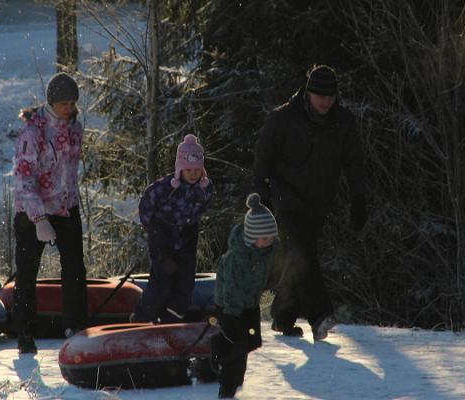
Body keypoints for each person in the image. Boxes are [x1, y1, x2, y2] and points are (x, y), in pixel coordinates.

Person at [253, 64, 367, 341]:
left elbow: (355, 162)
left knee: (297, 257)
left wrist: (358, 198)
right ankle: (320, 316)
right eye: (321, 96)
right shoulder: (283, 119)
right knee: (303, 251)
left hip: (319, 201)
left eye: (331, 96)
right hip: (286, 198)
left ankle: (282, 316)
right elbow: (263, 156)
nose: (326, 101)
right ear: (308, 93)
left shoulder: (344, 122)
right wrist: (261, 195)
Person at [12, 72, 88, 354]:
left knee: (75, 269)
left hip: (67, 208)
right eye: (64, 103)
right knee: (27, 271)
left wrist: (66, 205)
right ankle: (24, 331)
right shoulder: (33, 133)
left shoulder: (75, 128)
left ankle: (76, 326)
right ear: (51, 102)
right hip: (33, 211)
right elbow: (23, 179)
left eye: (72, 103)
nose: (69, 108)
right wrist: (39, 218)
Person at [132, 134, 213, 324]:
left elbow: (205, 205)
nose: (193, 174)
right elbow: (146, 203)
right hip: (163, 234)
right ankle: (142, 317)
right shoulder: (165, 188)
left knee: (185, 281)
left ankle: (172, 318)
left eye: (197, 170)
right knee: (162, 278)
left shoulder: (205, 188)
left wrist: (191, 222)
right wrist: (150, 226)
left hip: (187, 235)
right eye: (188, 170)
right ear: (180, 169)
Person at [211, 193, 279, 399]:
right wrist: (230, 316)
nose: (269, 241)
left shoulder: (266, 251)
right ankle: (226, 385)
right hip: (230, 307)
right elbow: (231, 289)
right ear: (252, 237)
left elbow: (268, 275)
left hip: (249, 304)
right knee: (236, 343)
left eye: (271, 237)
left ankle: (234, 378)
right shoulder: (237, 259)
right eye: (264, 238)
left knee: (252, 341)